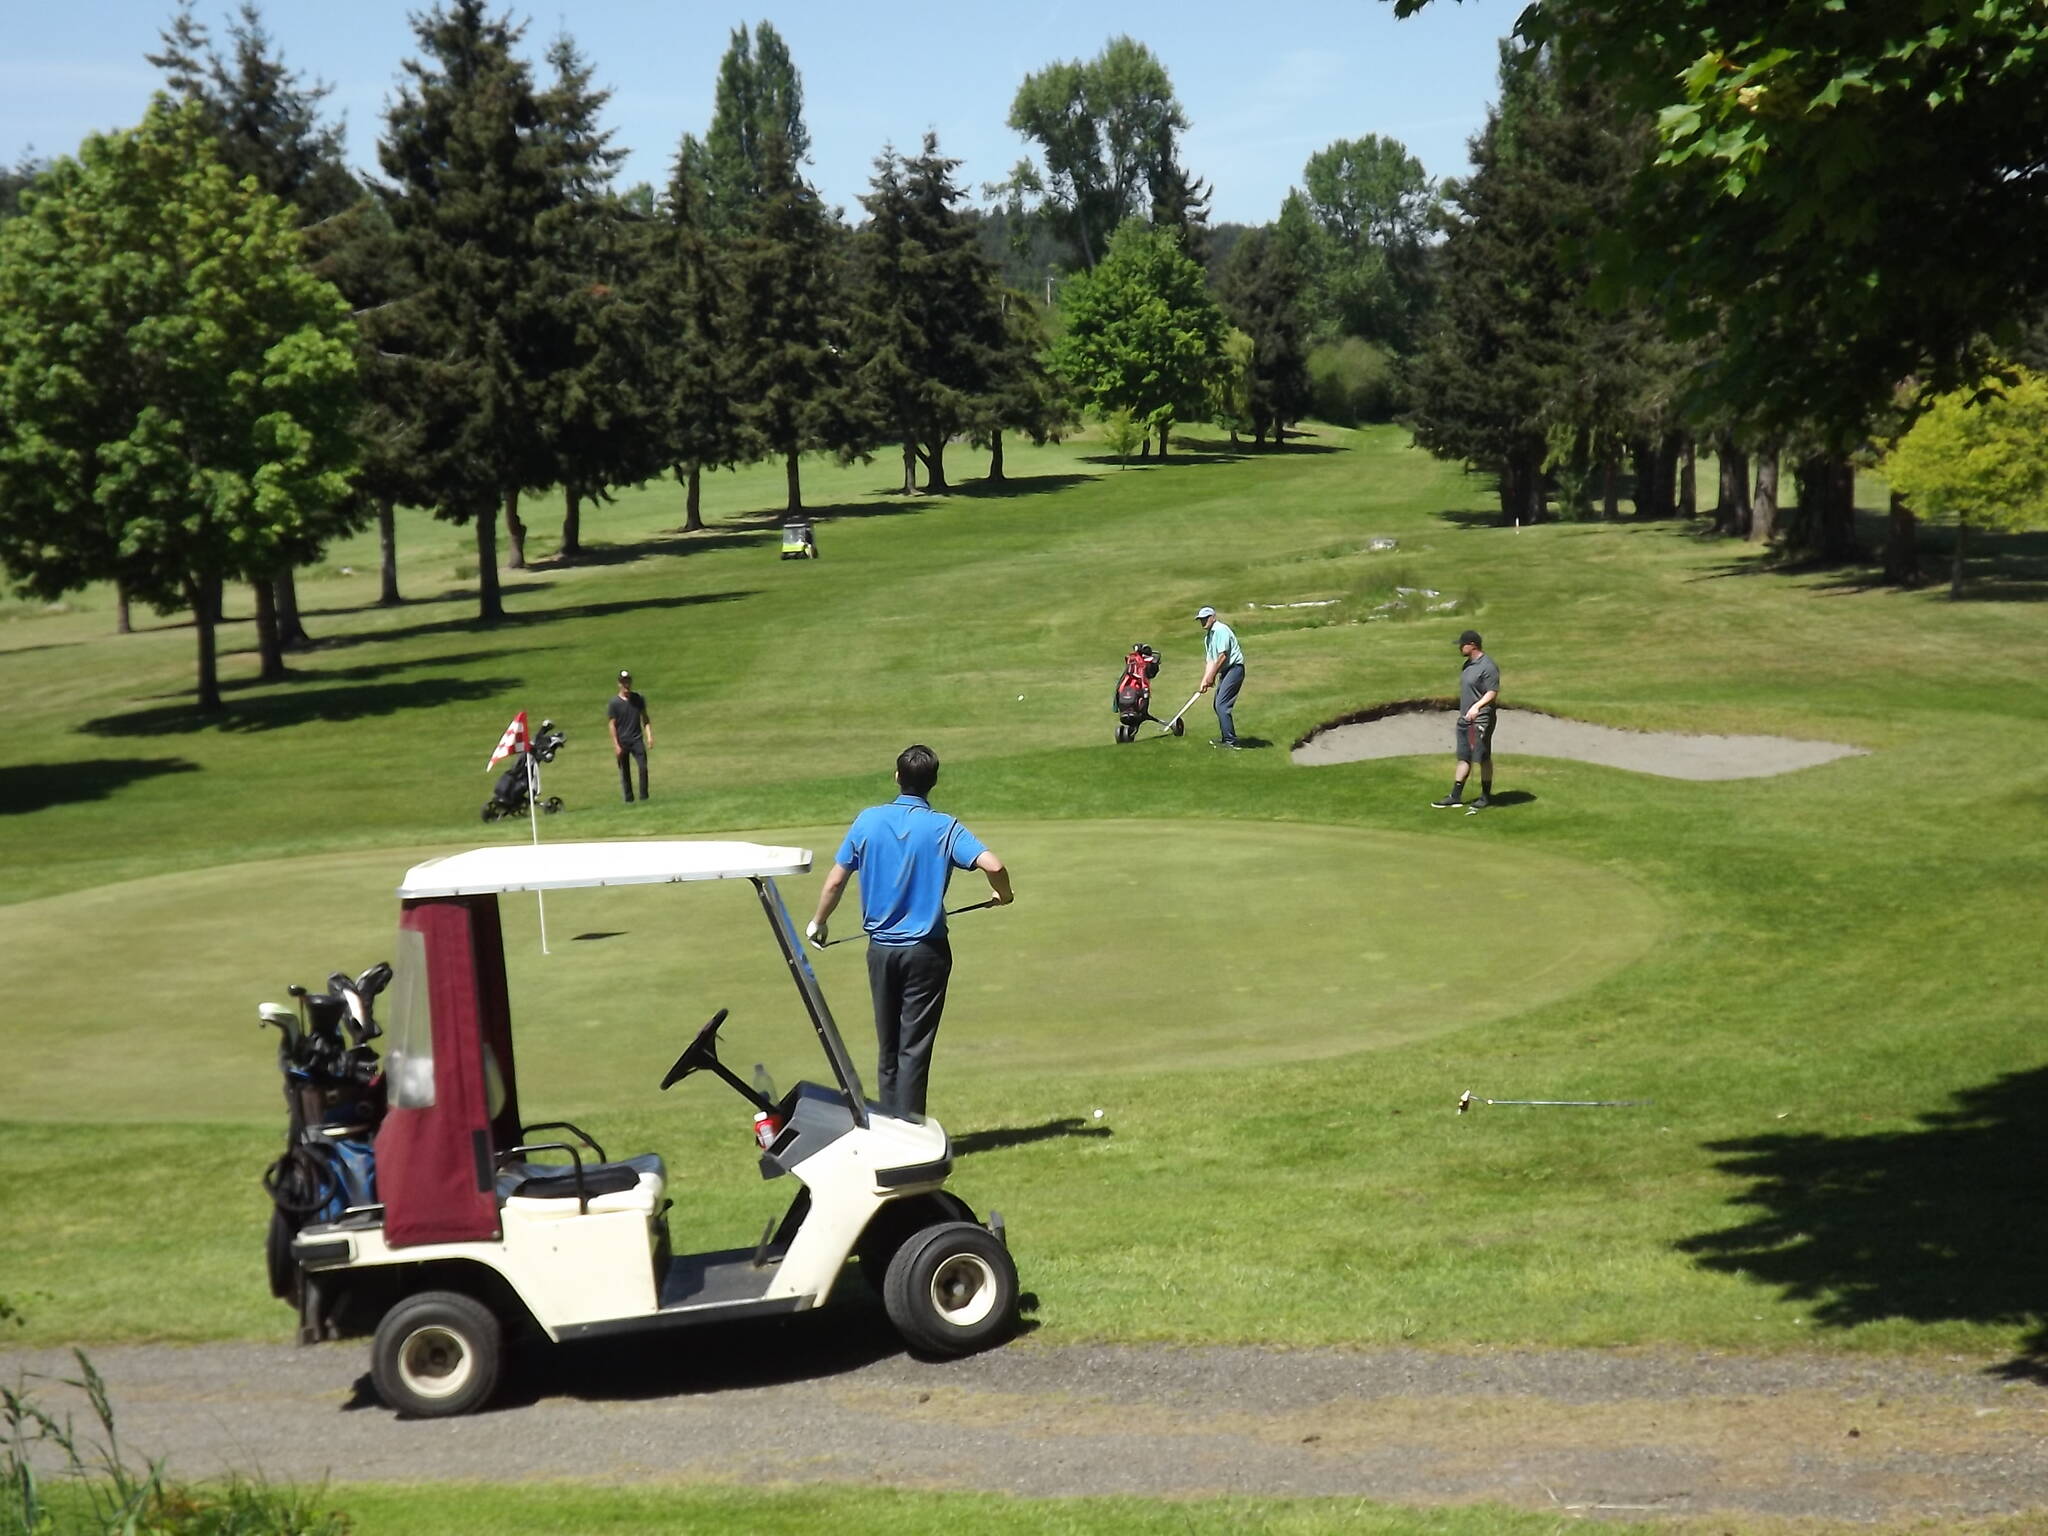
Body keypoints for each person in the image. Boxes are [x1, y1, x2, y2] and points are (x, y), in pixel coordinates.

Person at [805, 745, 1012, 1121]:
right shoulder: (945, 826)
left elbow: (836, 881)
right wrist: (1004, 894)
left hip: (882, 951)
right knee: (913, 1047)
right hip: (927, 952)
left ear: (897, 776)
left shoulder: (867, 820)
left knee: (888, 1047)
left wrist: (818, 922)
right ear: (932, 782)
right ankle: (912, 1131)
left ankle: (889, 1129)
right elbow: (993, 864)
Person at [1433, 630, 1499, 810]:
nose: (1460, 648)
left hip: (1481, 719)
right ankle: (1455, 795)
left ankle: (1485, 796)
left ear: (1472, 645)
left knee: (1482, 757)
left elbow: (1492, 692)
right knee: (1463, 757)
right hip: (1465, 718)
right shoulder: (1467, 665)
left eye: (1462, 644)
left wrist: (1477, 707)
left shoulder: (1488, 666)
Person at [1195, 605, 1246, 748]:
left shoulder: (1221, 630)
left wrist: (1211, 676)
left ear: (1213, 617)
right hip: (1226, 671)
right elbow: (1211, 661)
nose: (1203, 622)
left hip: (1235, 669)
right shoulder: (1208, 638)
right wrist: (1205, 680)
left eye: (1205, 618)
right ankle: (1227, 738)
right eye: (1201, 619)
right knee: (1217, 705)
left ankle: (1231, 741)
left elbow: (1223, 656)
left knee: (1222, 705)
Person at [606, 670, 652, 803]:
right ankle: (629, 799)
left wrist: (649, 736)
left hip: (636, 739)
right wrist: (616, 745)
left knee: (643, 767)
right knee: (625, 772)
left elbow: (645, 718)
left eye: (627, 681)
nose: (626, 684)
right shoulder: (614, 703)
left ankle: (644, 797)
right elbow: (612, 725)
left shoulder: (638, 699)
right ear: (619, 683)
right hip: (623, 741)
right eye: (623, 682)